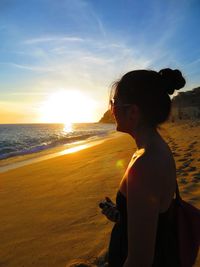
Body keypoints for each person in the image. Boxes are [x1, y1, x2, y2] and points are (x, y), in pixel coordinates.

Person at [100, 68, 186, 267]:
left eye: (114, 103)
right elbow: (151, 215)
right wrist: (121, 213)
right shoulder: (152, 149)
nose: (112, 109)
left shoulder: (146, 164)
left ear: (133, 111)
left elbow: (140, 261)